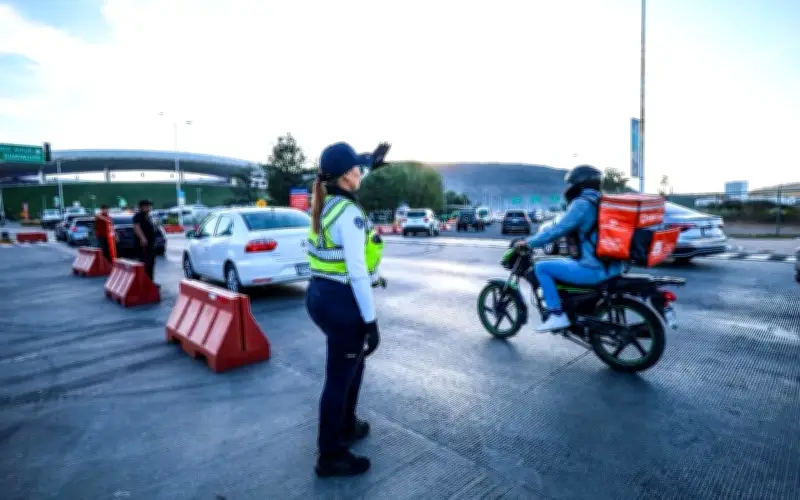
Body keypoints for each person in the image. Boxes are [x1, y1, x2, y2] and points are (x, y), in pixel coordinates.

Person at [305, 142, 385, 478]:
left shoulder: (328, 206)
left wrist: (368, 161)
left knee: (351, 366)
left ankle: (347, 425)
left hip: (321, 295)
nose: (361, 173)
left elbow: (349, 166)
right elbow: (355, 271)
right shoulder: (349, 213)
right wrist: (371, 321)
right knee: (339, 379)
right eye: (357, 169)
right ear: (345, 176)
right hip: (342, 301)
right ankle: (331, 455)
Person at [515, 165, 624, 332]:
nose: (569, 188)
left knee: (541, 267)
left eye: (571, 184)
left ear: (579, 185)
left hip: (593, 268)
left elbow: (557, 230)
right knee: (562, 261)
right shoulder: (602, 201)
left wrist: (528, 243)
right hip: (612, 267)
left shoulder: (582, 204)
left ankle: (556, 315)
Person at [132, 199, 158, 285]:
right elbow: (137, 227)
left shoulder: (148, 216)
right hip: (143, 245)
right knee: (146, 264)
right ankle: (146, 282)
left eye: (149, 206)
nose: (149, 207)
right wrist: (143, 238)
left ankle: (151, 282)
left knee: (151, 264)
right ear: (142, 207)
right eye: (147, 206)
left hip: (150, 244)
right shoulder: (138, 216)